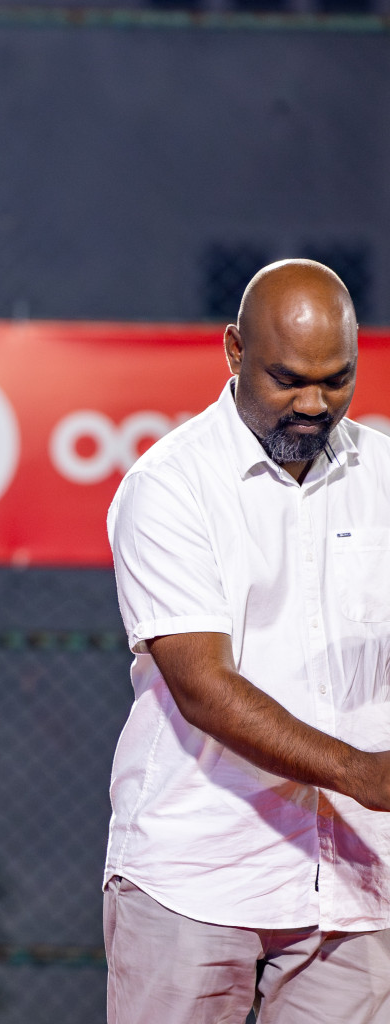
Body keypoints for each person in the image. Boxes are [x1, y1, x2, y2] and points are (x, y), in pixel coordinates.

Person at [103, 259, 390, 1021]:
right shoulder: (169, 485)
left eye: (336, 380)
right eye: (288, 378)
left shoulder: (386, 475)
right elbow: (202, 687)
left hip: (359, 885)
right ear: (233, 351)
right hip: (195, 872)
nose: (313, 404)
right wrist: (361, 773)